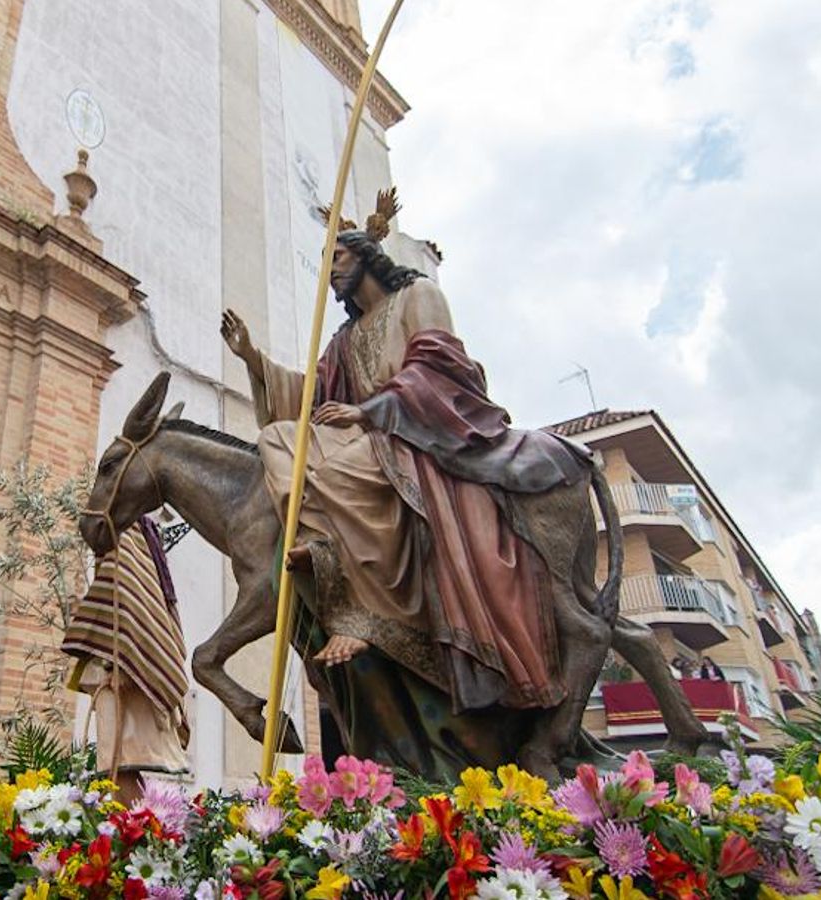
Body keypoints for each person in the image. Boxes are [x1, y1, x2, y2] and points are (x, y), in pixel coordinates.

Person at [219, 190, 593, 766]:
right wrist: (252, 359)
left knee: (312, 452)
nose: (330, 279)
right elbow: (311, 397)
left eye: (335, 263)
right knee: (278, 438)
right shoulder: (343, 340)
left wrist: (372, 411)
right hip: (364, 441)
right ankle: (321, 549)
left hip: (419, 435)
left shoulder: (420, 296)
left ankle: (363, 612)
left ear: (364, 255)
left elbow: (438, 367)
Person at [62, 515, 190, 800]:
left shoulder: (128, 529)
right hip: (118, 661)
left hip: (124, 666)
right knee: (117, 763)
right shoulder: (128, 531)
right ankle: (137, 832)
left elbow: (133, 602)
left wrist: (120, 662)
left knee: (122, 762)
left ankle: (139, 832)